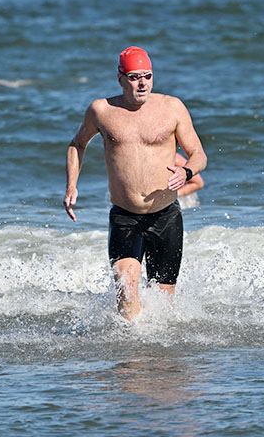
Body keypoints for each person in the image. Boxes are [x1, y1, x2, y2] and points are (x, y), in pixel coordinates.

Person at [64, 46, 207, 320]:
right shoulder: (101, 110)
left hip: (166, 217)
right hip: (125, 217)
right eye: (134, 77)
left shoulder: (172, 108)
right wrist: (72, 185)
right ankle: (129, 344)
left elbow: (199, 154)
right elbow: (77, 144)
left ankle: (155, 347)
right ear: (120, 79)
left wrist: (187, 172)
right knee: (125, 283)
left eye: (147, 76)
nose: (142, 83)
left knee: (163, 303)